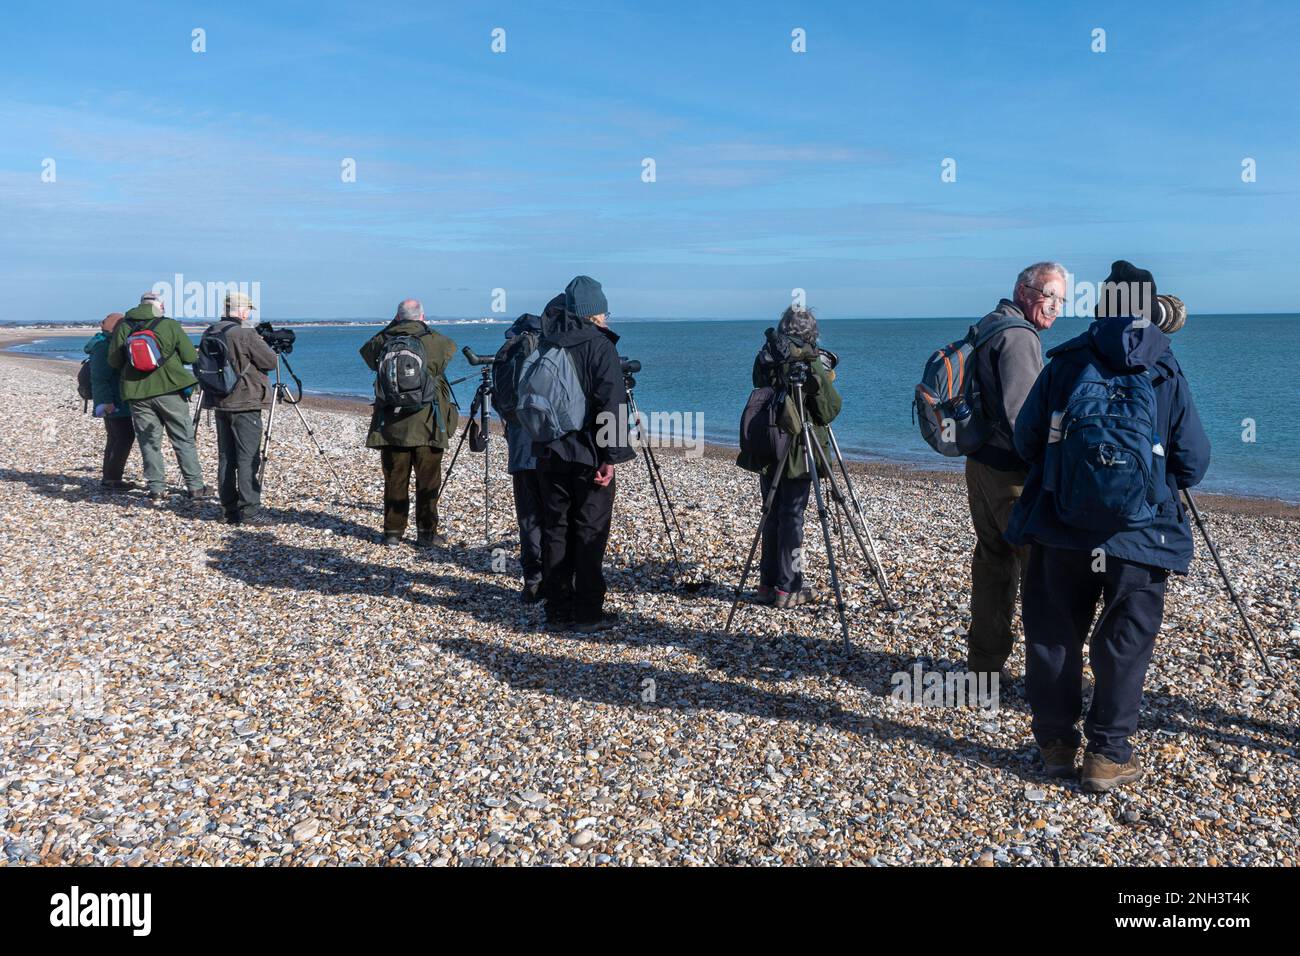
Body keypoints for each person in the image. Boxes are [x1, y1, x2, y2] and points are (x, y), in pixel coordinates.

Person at [1006, 260, 1210, 791]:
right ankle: (1107, 755)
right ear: (1150, 309)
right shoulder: (1165, 368)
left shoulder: (1067, 361)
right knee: (1123, 642)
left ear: (1101, 307)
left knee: (1054, 636)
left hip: (1060, 527)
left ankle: (1055, 745)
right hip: (1141, 536)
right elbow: (1193, 461)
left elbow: (1027, 441)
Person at [964, 262, 1067, 681]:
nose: (1057, 307)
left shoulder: (988, 324)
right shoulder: (1020, 337)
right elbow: (1023, 418)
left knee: (992, 563)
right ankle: (1049, 675)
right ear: (1025, 292)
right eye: (1051, 296)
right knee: (1039, 571)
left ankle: (984, 666)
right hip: (1011, 477)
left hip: (979, 465)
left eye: (1062, 299)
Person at [532, 276, 634, 633]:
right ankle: (588, 612)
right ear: (597, 312)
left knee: (555, 528)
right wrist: (612, 457)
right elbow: (611, 404)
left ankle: (557, 610)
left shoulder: (546, 341)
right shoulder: (598, 346)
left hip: (548, 450)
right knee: (590, 530)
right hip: (588, 453)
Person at [748, 306, 842, 608]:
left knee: (772, 514)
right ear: (811, 332)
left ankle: (767, 584)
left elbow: (758, 385)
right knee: (793, 518)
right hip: (800, 450)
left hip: (769, 444)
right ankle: (790, 587)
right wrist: (824, 378)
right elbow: (829, 409)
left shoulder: (768, 355)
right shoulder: (808, 358)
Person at [360, 299, 457, 548]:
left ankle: (393, 532)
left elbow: (367, 354)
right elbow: (447, 353)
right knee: (428, 482)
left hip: (391, 423)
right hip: (428, 423)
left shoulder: (384, 341)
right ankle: (426, 533)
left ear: (398, 317)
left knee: (395, 478)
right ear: (422, 316)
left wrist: (394, 326)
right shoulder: (436, 341)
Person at [107, 293, 211, 503]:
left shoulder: (124, 327)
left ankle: (156, 487)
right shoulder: (169, 325)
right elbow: (190, 357)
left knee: (149, 442)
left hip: (137, 393)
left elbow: (114, 361)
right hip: (170, 390)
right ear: (160, 306)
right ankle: (195, 486)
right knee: (183, 439)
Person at [199, 291, 278, 525]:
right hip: (244, 400)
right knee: (247, 457)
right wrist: (263, 343)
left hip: (219, 399)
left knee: (226, 457)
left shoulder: (211, 331)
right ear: (242, 310)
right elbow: (270, 362)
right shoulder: (244, 333)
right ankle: (250, 510)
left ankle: (228, 509)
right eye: (248, 310)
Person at [501, 298, 560, 602]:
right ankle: (557, 577)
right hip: (549, 444)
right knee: (554, 514)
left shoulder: (510, 351)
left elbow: (502, 401)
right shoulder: (551, 348)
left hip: (520, 445)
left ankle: (532, 580)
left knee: (529, 516)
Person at [83, 312, 136, 491]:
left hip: (112, 399)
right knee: (124, 436)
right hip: (113, 400)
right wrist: (106, 402)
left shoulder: (103, 343)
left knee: (116, 437)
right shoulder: (104, 345)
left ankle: (110, 476)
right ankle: (112, 478)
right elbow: (99, 378)